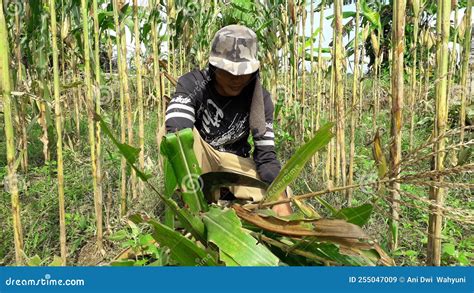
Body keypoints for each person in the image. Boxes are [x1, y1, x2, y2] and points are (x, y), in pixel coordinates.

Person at [161, 24, 292, 216]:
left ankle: (228, 200)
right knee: (173, 136)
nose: (236, 79)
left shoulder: (260, 99)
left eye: (243, 73)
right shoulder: (193, 84)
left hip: (234, 162)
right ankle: (193, 201)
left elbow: (266, 157)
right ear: (213, 67)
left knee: (281, 195)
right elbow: (176, 127)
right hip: (200, 158)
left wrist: (279, 196)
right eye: (228, 72)